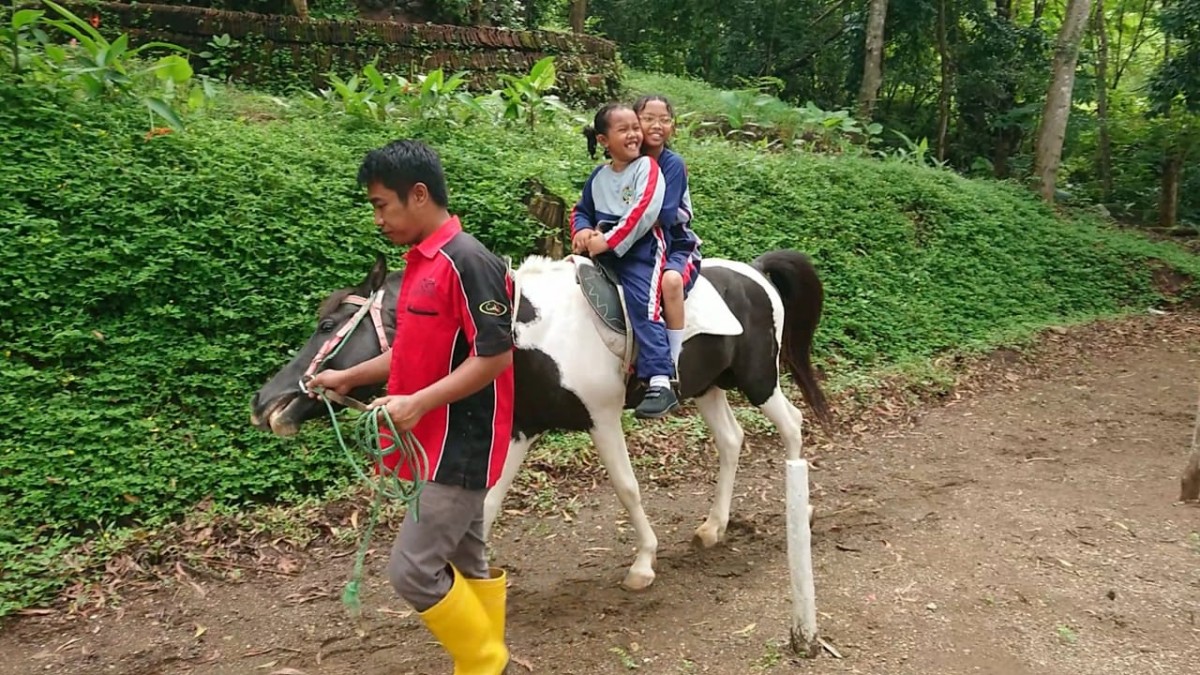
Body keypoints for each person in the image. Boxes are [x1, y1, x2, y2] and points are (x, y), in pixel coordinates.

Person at [306, 139, 513, 674]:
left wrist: (419, 402)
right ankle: (485, 666)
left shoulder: (469, 261)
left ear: (418, 195)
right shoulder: (419, 264)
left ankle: (491, 665)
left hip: (459, 445)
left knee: (413, 571)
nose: (378, 218)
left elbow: (494, 357)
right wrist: (349, 376)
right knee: (468, 560)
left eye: (382, 205)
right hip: (428, 440)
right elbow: (415, 350)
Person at [571, 102, 677, 419]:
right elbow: (582, 210)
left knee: (641, 303)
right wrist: (582, 230)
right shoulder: (599, 176)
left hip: (640, 252)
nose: (634, 135)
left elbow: (642, 213)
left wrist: (607, 241)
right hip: (603, 250)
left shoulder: (647, 168)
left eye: (635, 128)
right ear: (604, 140)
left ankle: (660, 379)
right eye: (624, 130)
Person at [634, 94, 702, 377]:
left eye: (664, 120)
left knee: (670, 282)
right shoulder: (628, 159)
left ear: (673, 127)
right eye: (648, 118)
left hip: (673, 241)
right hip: (635, 240)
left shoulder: (672, 164)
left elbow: (663, 214)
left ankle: (671, 361)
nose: (656, 125)